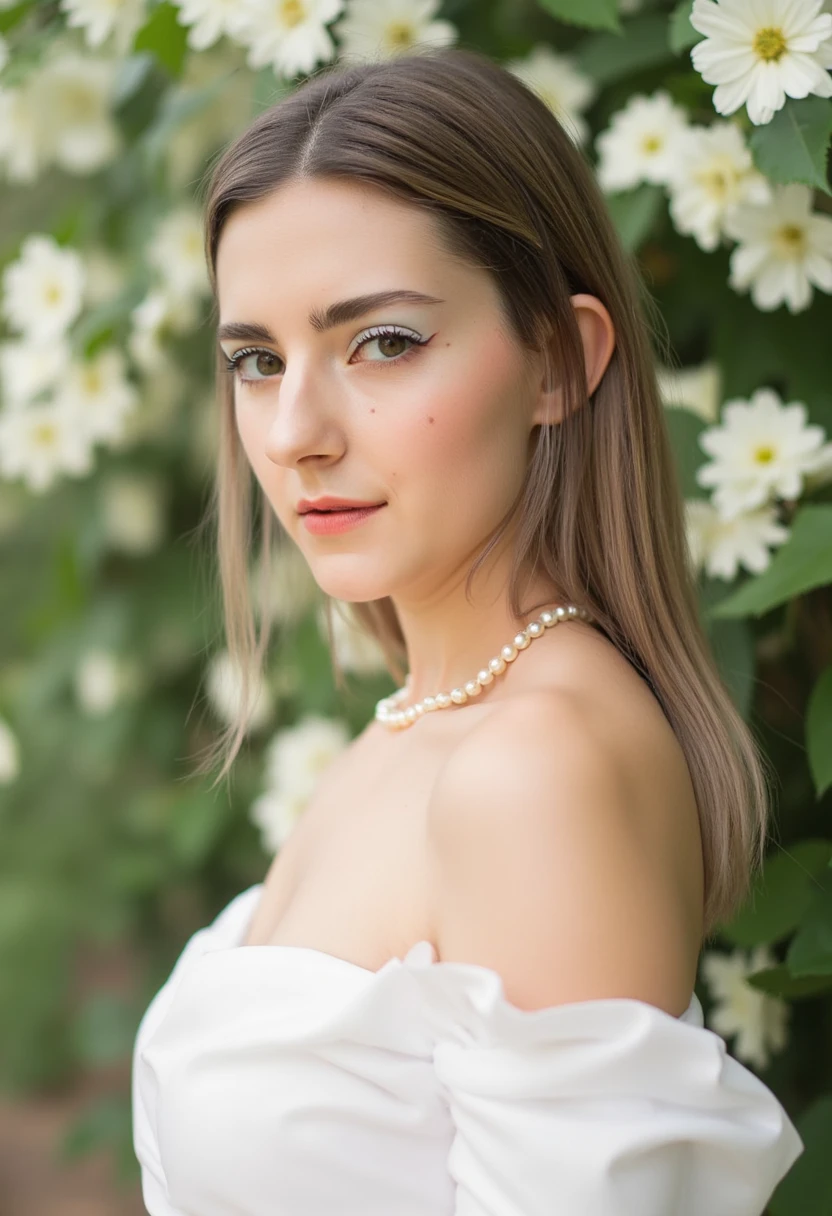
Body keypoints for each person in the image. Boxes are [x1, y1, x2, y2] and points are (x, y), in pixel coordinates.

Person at [132, 45, 804, 1215]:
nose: (295, 431)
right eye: (255, 359)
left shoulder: (533, 769)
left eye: (382, 341)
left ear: (558, 359)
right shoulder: (424, 726)